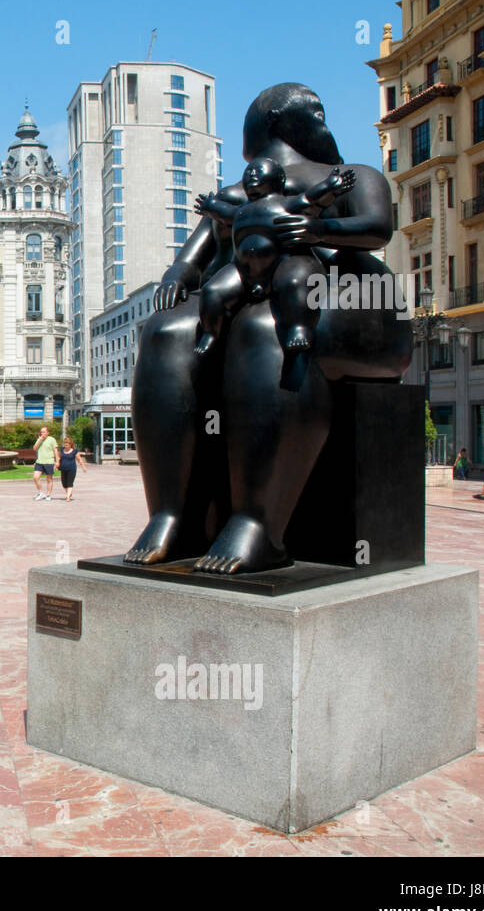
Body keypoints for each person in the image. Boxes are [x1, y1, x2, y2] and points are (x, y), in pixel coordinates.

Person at [126, 83, 413, 574]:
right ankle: (173, 516)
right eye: (315, 112)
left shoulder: (351, 176)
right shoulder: (238, 194)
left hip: (358, 305)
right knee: (166, 333)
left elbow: (377, 228)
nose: (323, 121)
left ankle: (258, 523)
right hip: (250, 296)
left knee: (266, 328)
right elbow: (191, 258)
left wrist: (319, 231)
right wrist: (178, 278)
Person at [192, 159, 356, 359]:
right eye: (248, 172)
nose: (251, 174)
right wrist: (210, 205)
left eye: (258, 171)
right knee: (212, 291)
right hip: (243, 271)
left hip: (284, 262)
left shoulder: (288, 203)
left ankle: (300, 327)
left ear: (278, 179)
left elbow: (312, 198)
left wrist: (330, 186)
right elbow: (224, 213)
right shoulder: (240, 211)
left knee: (295, 283)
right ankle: (211, 331)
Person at [32, 426, 59, 501]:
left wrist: (57, 461)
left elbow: (55, 450)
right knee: (35, 477)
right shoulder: (39, 439)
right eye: (41, 432)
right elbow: (35, 448)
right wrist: (40, 440)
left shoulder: (52, 439)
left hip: (49, 462)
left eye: (44, 432)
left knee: (49, 479)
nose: (42, 433)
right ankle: (41, 493)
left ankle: (48, 494)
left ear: (48, 432)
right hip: (39, 462)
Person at [58, 436, 87, 501]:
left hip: (72, 469)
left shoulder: (74, 451)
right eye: (65, 444)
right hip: (63, 469)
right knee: (64, 484)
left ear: (70, 444)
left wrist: (83, 467)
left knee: (69, 483)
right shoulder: (62, 450)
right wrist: (56, 464)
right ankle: (69, 493)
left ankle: (68, 497)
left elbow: (79, 460)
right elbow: (58, 458)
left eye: (67, 444)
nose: (66, 445)